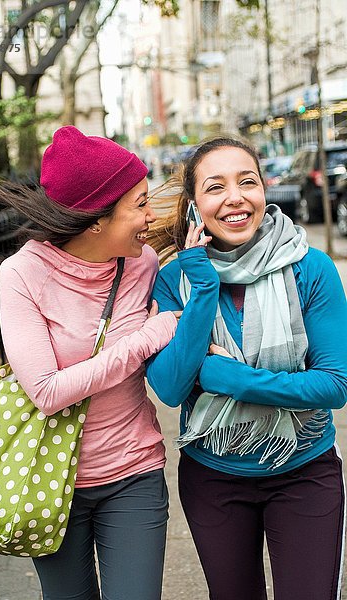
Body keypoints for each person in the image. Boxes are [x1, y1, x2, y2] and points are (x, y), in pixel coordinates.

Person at [146, 136, 347, 600]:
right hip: (213, 477)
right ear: (194, 205)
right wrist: (201, 286)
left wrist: (225, 378)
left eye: (247, 182)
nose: (235, 197)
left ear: (264, 190)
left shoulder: (310, 268)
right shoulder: (175, 279)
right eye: (215, 187)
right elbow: (171, 386)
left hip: (304, 471)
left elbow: (335, 385)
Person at [0, 126, 178, 600]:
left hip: (133, 473)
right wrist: (145, 339)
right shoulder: (21, 275)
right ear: (96, 220)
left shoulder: (144, 263)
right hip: (52, 482)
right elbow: (47, 392)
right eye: (139, 203)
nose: (149, 215)